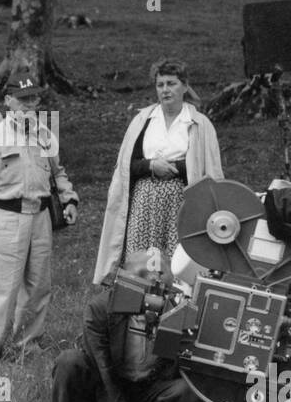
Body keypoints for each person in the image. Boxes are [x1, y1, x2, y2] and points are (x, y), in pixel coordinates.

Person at [51, 249, 203, 402]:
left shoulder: (179, 312)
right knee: (69, 363)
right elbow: (106, 380)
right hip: (106, 394)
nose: (154, 291)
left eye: (162, 286)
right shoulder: (100, 309)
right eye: (144, 282)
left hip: (152, 394)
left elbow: (199, 372)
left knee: (187, 389)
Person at [0, 74, 78, 362]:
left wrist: (69, 199)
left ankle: (27, 344)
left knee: (38, 285)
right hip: (6, 217)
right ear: (7, 102)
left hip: (40, 217)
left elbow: (58, 173)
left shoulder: (45, 135)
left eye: (33, 99)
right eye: (22, 99)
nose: (28, 105)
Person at [93, 57, 224, 285]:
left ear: (184, 86)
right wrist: (151, 165)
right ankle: (135, 310)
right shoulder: (143, 120)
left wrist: (173, 168)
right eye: (160, 84)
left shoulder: (199, 124)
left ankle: (173, 311)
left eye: (171, 83)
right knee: (140, 259)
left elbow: (208, 171)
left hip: (180, 202)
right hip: (144, 200)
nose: (165, 90)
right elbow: (127, 167)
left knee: (176, 260)